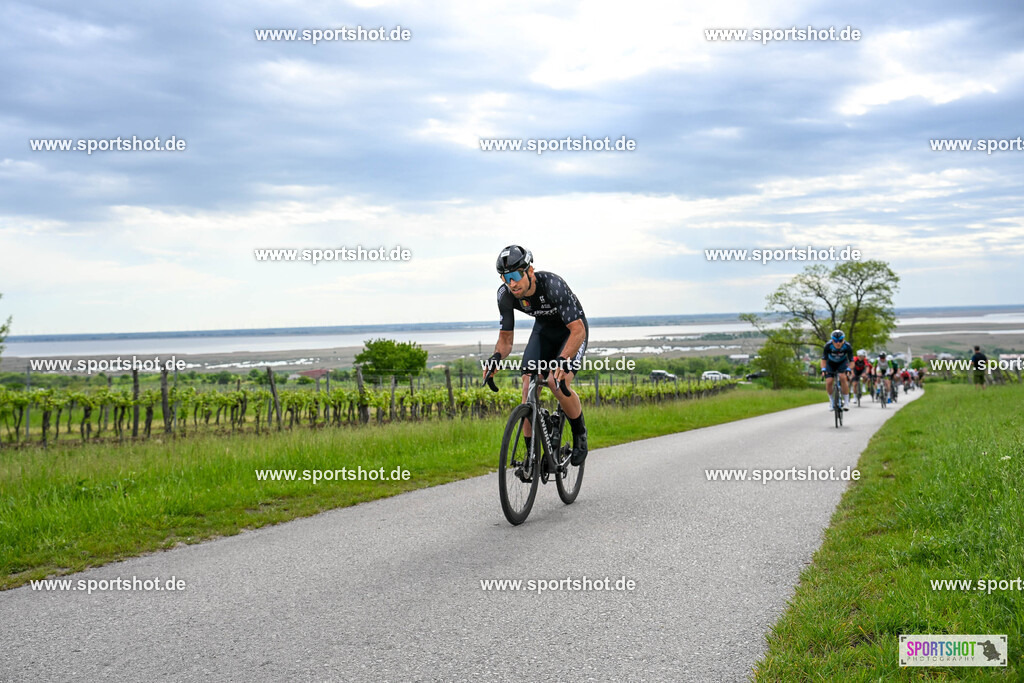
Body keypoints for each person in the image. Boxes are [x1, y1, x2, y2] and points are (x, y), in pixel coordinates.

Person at [484, 245, 590, 465]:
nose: (511, 283)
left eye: (515, 276)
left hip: (572, 331)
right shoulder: (505, 295)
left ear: (529, 271)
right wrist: (495, 358)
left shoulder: (553, 285)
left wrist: (562, 360)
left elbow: (577, 330)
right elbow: (505, 340)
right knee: (528, 386)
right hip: (545, 332)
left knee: (555, 381)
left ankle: (580, 434)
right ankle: (530, 456)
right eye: (505, 278)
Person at [821, 329, 853, 411]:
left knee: (842, 377)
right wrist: (823, 369)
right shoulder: (828, 346)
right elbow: (824, 360)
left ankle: (846, 402)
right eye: (835, 341)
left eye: (840, 340)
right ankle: (831, 401)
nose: (838, 343)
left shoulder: (847, 346)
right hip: (830, 364)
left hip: (842, 363)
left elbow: (852, 361)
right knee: (829, 381)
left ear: (844, 340)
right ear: (832, 340)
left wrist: (849, 368)